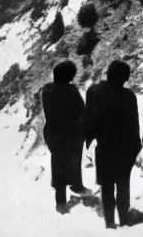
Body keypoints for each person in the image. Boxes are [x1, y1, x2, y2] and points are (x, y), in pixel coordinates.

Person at [84, 60, 143, 229]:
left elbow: (89, 120)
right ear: (124, 78)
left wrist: (88, 139)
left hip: (104, 147)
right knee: (123, 184)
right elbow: (134, 125)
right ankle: (125, 217)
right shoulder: (129, 96)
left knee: (107, 185)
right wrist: (136, 147)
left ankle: (110, 222)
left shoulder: (94, 91)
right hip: (124, 149)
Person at [42, 60, 89, 214]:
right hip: (71, 133)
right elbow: (81, 110)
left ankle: (60, 201)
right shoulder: (71, 91)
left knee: (58, 165)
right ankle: (77, 185)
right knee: (74, 160)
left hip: (53, 133)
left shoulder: (47, 90)